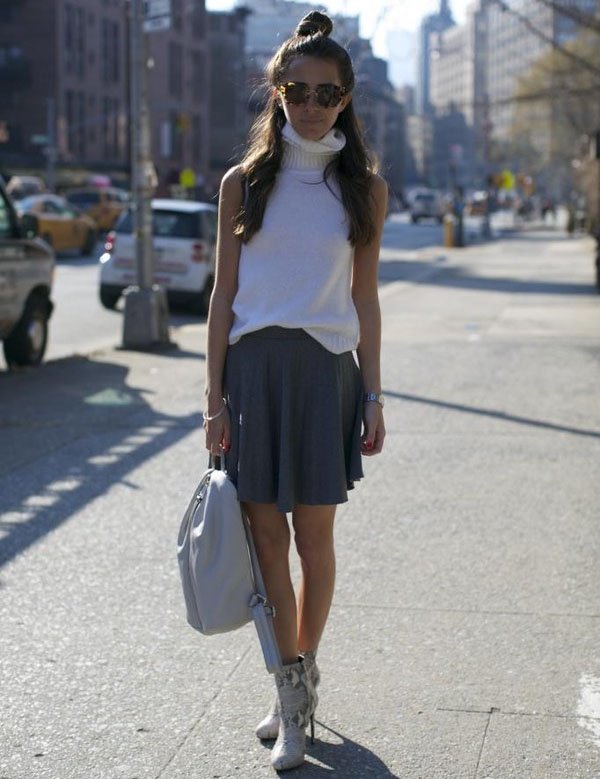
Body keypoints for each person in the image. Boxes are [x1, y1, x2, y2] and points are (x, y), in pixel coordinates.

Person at [203, 10, 386, 771]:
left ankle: (299, 677)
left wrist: (374, 396)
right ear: (276, 93)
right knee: (266, 542)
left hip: (323, 378)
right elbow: (222, 295)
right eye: (297, 89)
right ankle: (287, 693)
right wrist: (212, 400)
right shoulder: (242, 185)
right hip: (253, 376)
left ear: (345, 100)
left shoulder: (363, 191)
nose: (311, 104)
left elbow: (366, 299)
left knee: (315, 540)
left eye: (326, 92)